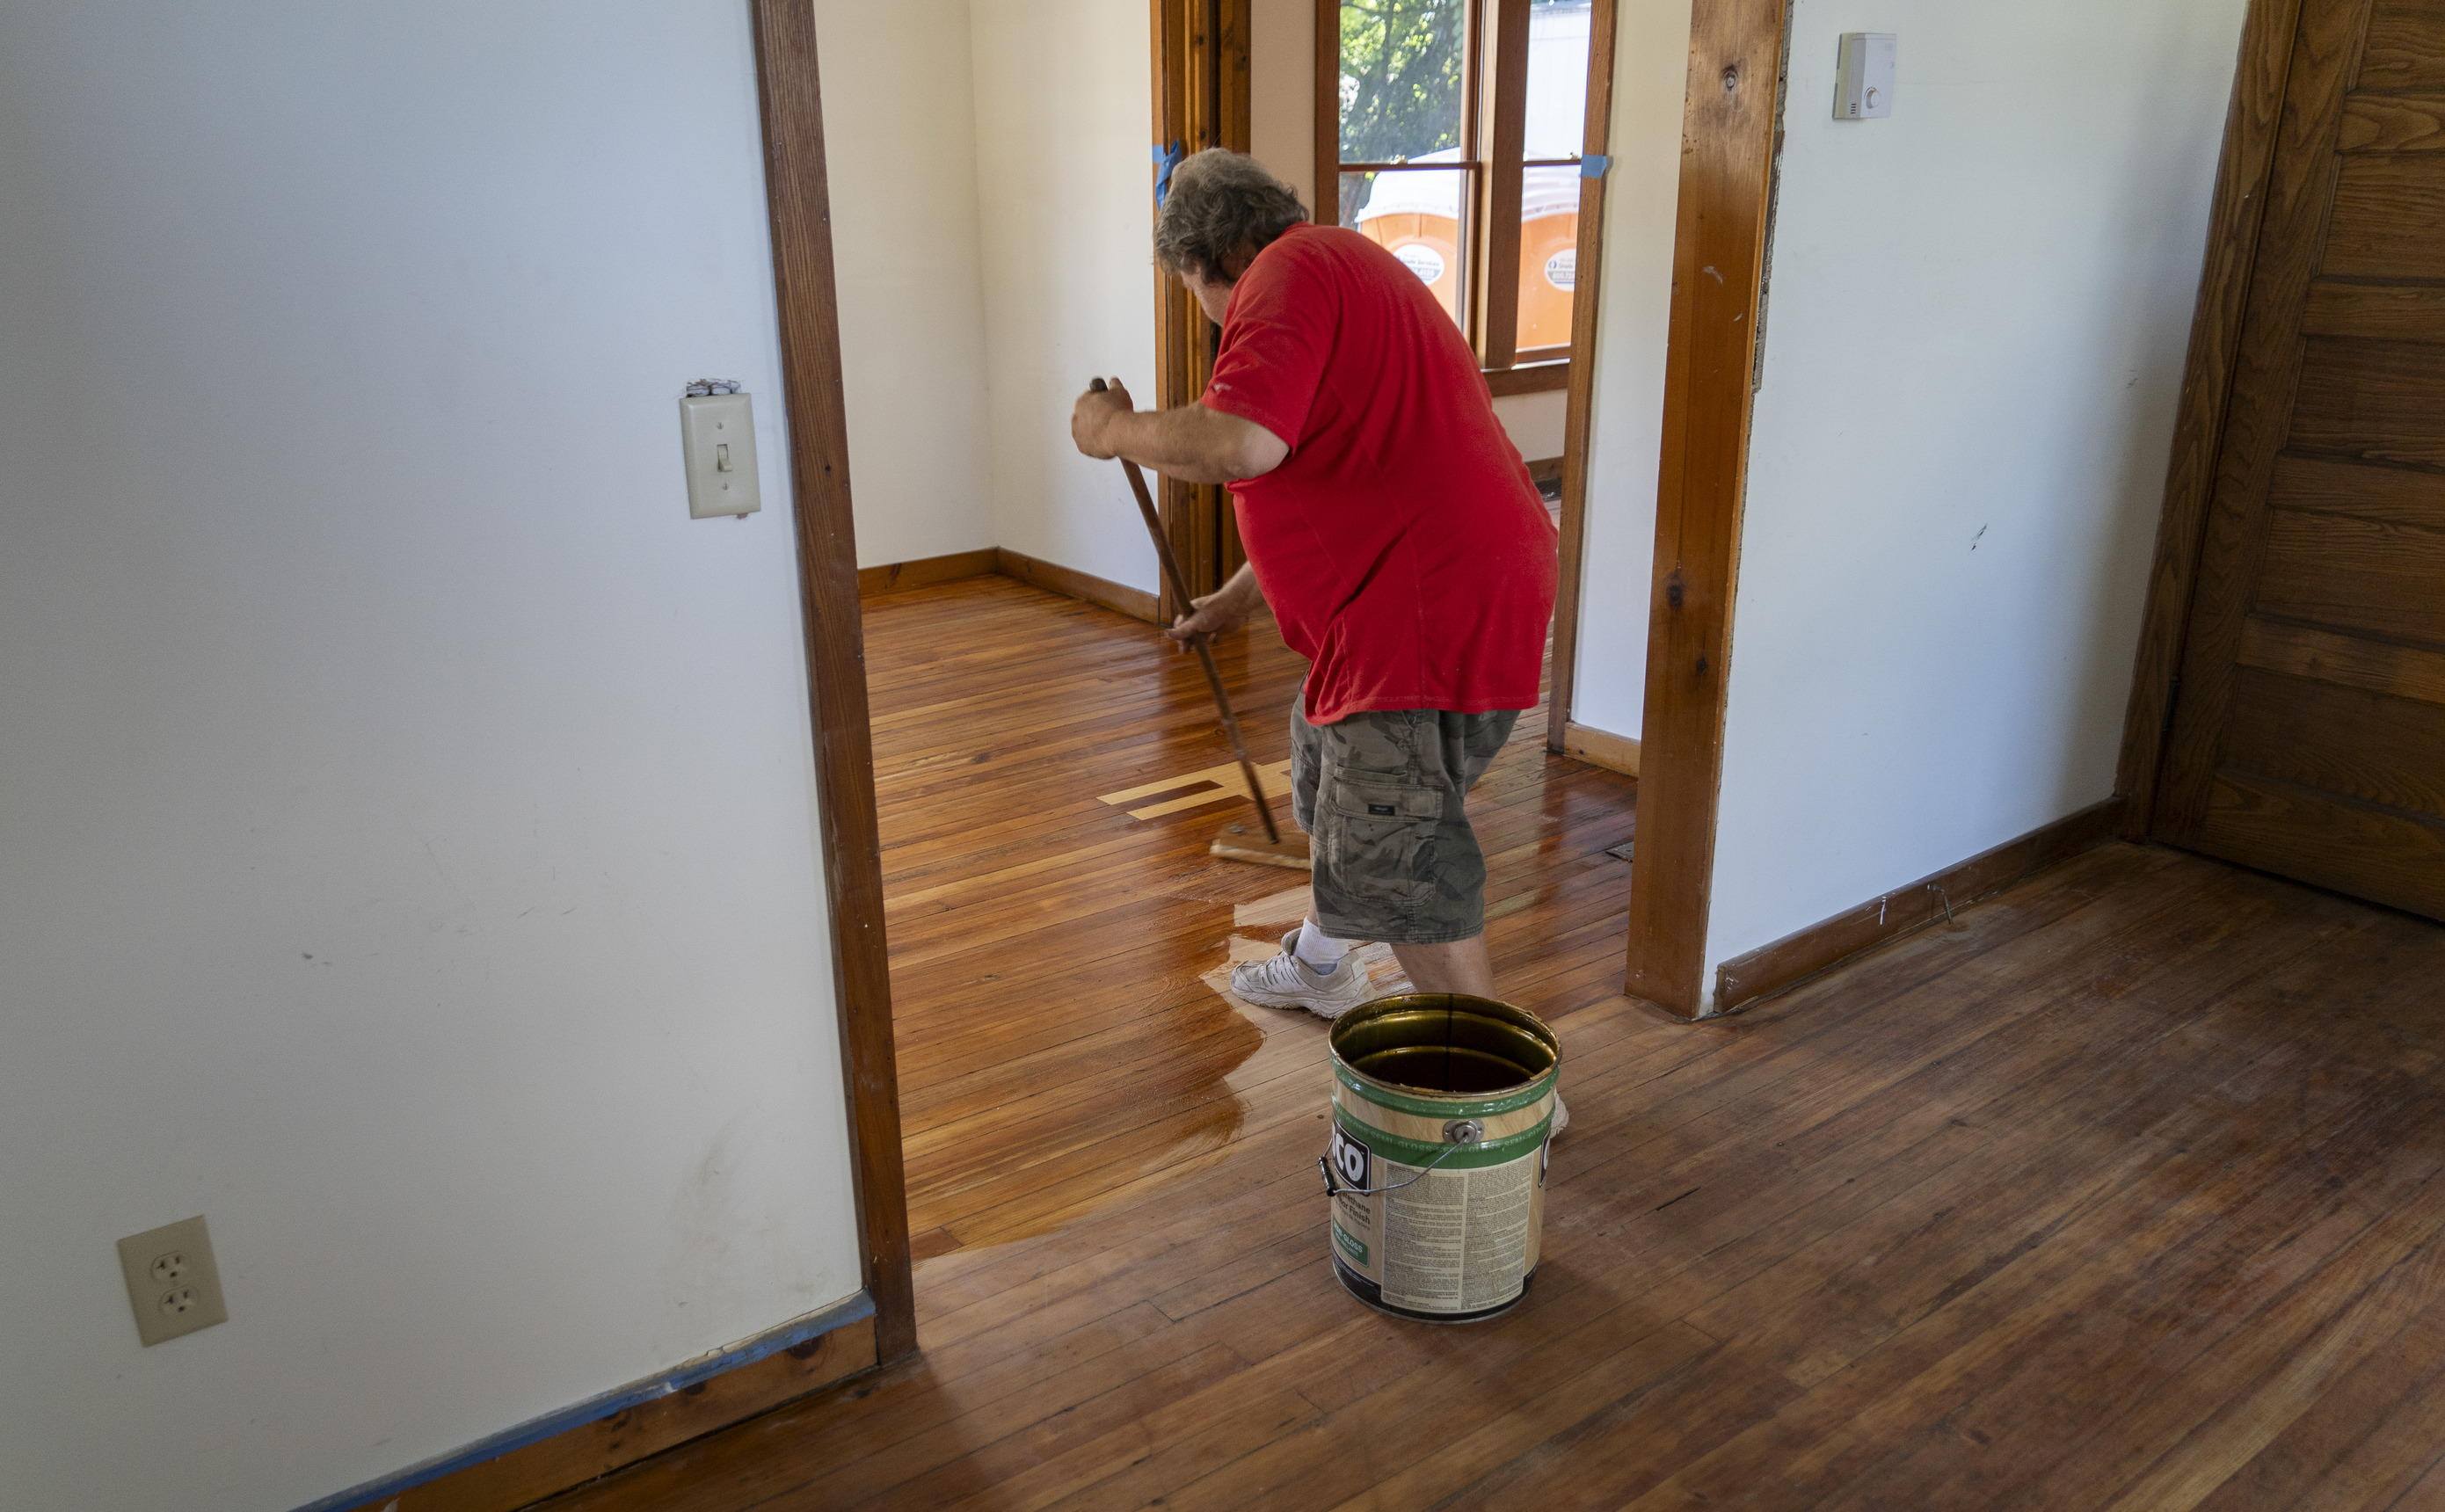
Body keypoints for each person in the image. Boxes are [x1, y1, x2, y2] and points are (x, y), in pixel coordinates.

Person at [1071, 149, 1557, 1021]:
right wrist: (1235, 598)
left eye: (1197, 297)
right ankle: (1322, 965)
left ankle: (1496, 1088)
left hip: (1423, 610)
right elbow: (1338, 481)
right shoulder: (1342, 262)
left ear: (1205, 260)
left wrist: (1113, 431)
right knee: (1331, 774)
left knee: (1397, 857)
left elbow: (1243, 444)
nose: (1215, 319)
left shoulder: (1285, 276)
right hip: (1430, 590)